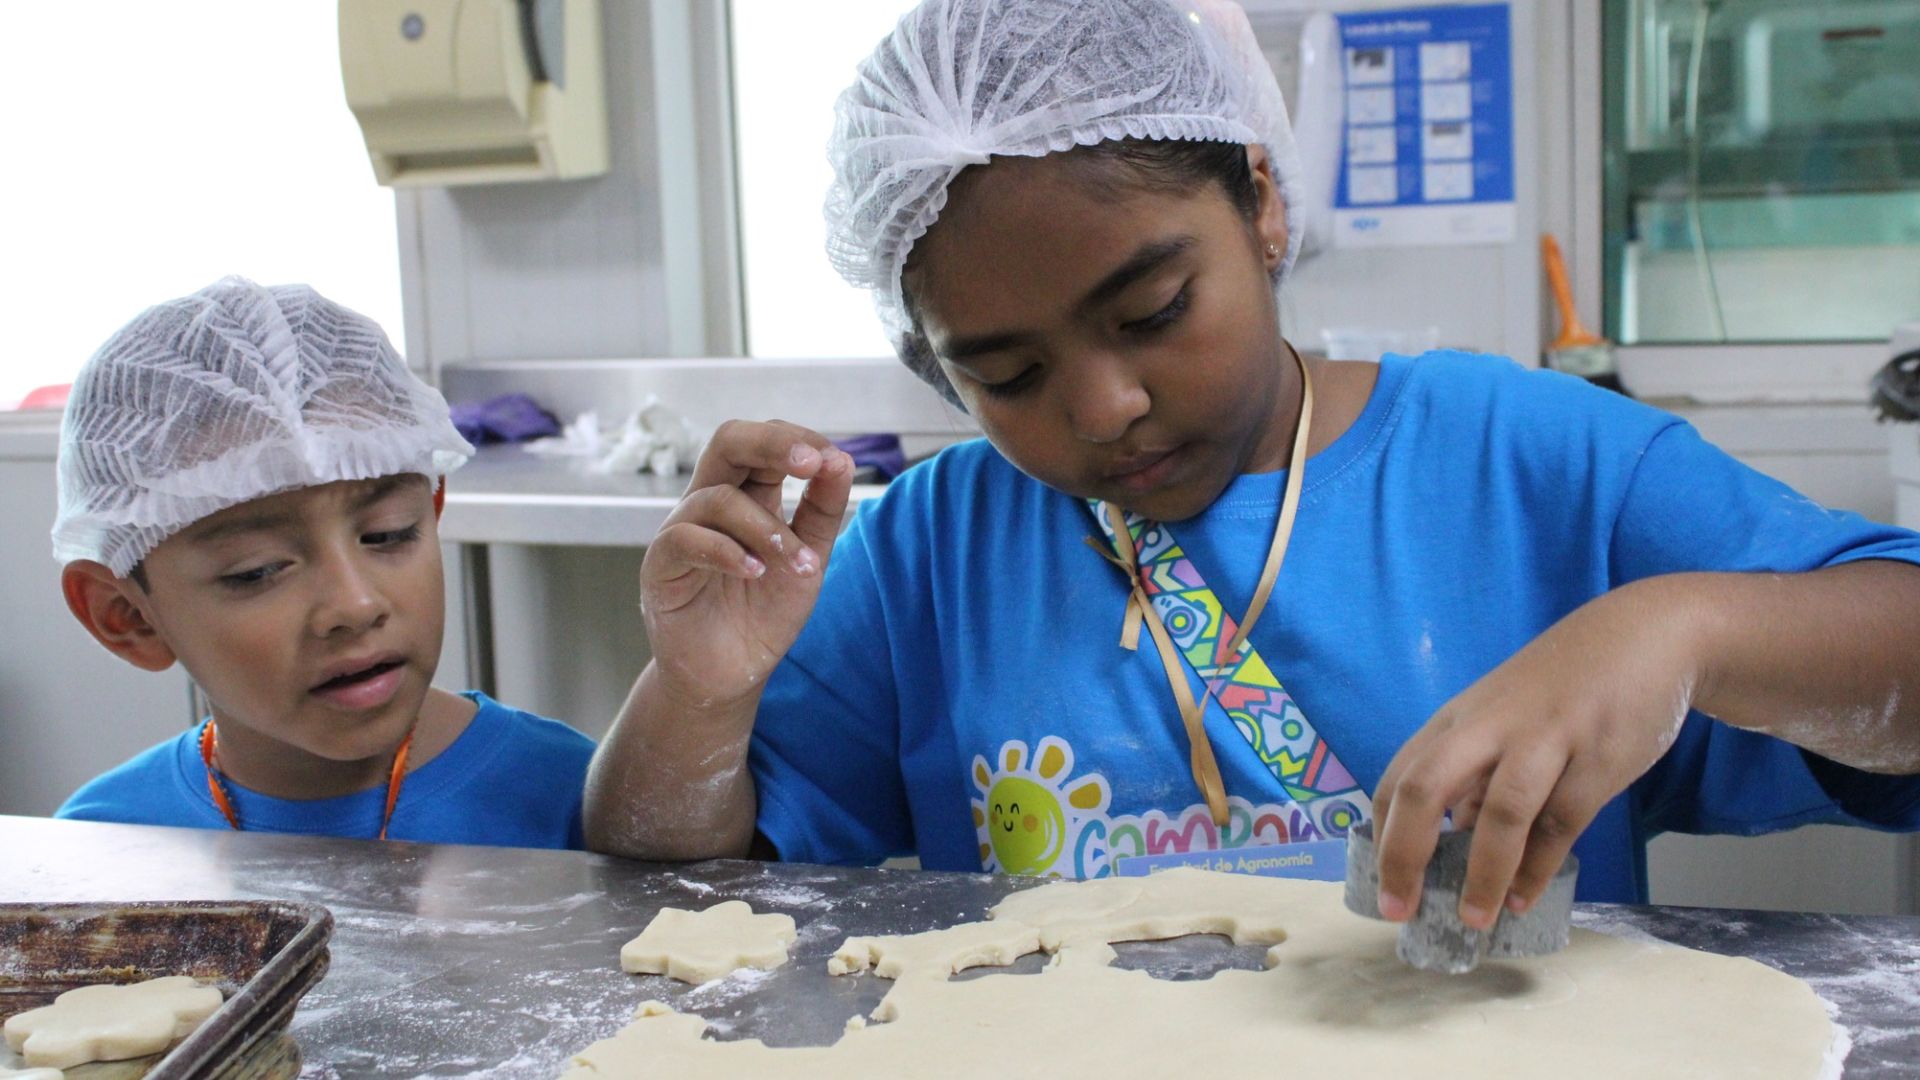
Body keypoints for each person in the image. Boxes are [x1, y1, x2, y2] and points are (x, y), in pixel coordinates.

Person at [584, 0, 1920, 932]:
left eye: (1154, 310)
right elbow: (676, 892)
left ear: (1266, 204)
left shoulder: (1533, 466)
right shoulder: (935, 552)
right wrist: (697, 696)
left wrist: (1675, 630)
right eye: (1007, 373)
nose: (1104, 405)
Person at [53, 278, 596, 848]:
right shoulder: (105, 848)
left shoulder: (578, 802)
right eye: (257, 570)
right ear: (127, 616)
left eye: (388, 534)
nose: (356, 605)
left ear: (432, 509)